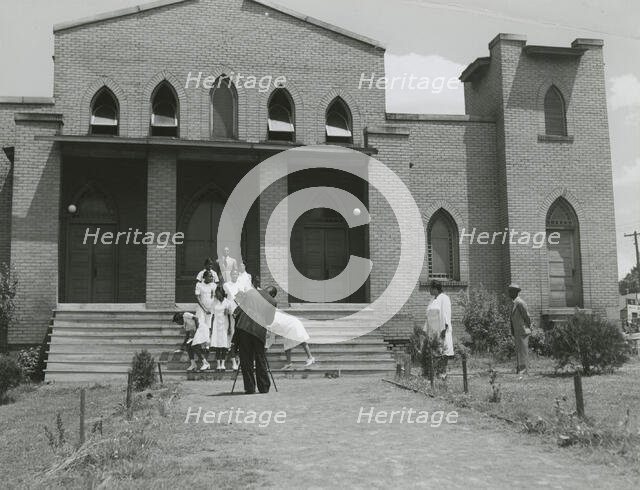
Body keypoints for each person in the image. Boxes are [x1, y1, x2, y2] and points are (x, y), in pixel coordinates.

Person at [232, 284, 277, 394]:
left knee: (246, 359)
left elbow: (238, 310)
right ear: (273, 295)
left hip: (243, 327)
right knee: (260, 358)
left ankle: (250, 388)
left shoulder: (252, 292)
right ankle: (264, 387)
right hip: (258, 331)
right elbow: (269, 321)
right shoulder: (272, 301)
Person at [263, 286, 315, 368]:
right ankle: (289, 362)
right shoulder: (270, 308)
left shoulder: (270, 311)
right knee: (287, 345)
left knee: (301, 340)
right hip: (287, 326)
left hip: (292, 324)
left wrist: (266, 343)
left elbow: (270, 336)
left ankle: (310, 357)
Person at [424, 279, 454, 379]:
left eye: (430, 288)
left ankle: (443, 373)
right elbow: (428, 315)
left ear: (435, 288)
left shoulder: (444, 298)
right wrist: (426, 331)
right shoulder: (432, 300)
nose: (429, 290)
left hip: (441, 330)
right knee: (434, 352)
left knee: (442, 352)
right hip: (432, 331)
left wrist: (443, 331)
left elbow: (445, 315)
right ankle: (435, 373)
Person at [194, 270, 216, 370]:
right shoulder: (199, 285)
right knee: (201, 326)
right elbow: (197, 298)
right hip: (202, 310)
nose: (212, 278)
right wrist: (204, 309)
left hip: (210, 309)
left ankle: (207, 345)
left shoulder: (213, 285)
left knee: (209, 326)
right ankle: (201, 343)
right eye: (210, 277)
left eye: (212, 277)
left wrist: (211, 308)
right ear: (205, 277)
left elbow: (214, 296)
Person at [210, 285, 236, 371]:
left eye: (219, 293)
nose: (218, 295)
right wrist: (211, 328)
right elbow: (212, 315)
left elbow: (230, 315)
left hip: (225, 324)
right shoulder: (214, 302)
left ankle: (223, 364)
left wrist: (229, 328)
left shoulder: (227, 302)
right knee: (218, 345)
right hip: (216, 325)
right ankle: (218, 364)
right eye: (216, 294)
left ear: (222, 293)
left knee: (224, 345)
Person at [508, 283, 532, 376]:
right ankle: (519, 369)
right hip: (517, 331)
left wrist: (528, 327)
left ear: (515, 292)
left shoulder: (520, 303)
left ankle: (524, 371)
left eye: (510, 292)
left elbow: (527, 317)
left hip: (522, 331)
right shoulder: (514, 303)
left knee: (523, 351)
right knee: (519, 351)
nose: (509, 294)